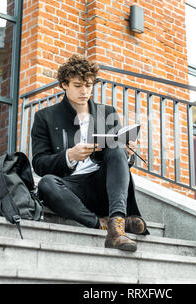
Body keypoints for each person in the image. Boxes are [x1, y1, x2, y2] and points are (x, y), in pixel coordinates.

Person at [31, 54, 148, 252]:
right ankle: (102, 224)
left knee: (117, 147)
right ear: (64, 84)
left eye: (89, 85)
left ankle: (117, 225)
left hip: (103, 185)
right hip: (71, 189)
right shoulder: (45, 117)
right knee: (46, 184)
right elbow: (39, 164)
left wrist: (128, 153)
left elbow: (119, 163)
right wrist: (69, 156)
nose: (84, 91)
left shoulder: (107, 112)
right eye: (78, 85)